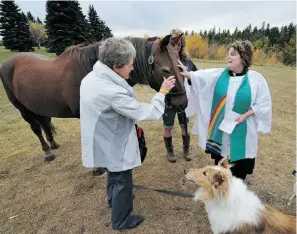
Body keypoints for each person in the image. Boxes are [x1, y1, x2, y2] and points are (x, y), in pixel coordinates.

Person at [79, 38, 176, 230]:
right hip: (113, 141)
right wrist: (163, 92)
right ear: (115, 67)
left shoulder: (91, 78)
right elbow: (145, 112)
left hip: (101, 135)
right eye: (130, 65)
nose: (132, 68)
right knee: (122, 179)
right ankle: (122, 220)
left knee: (113, 173)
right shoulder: (111, 91)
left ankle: (113, 201)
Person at [179, 40, 272, 180]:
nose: (228, 57)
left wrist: (245, 115)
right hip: (222, 132)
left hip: (243, 131)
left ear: (244, 57)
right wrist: (187, 74)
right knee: (221, 168)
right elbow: (200, 77)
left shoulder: (256, 79)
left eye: (233, 54)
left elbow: (263, 104)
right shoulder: (218, 75)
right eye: (228, 54)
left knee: (239, 170)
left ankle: (237, 188)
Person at [163, 29, 198, 163]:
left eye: (180, 43)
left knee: (184, 125)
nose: (177, 45)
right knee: (168, 126)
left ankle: (186, 149)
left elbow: (196, 77)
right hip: (169, 100)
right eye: (174, 43)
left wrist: (187, 73)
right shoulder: (164, 60)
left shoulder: (187, 61)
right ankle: (170, 151)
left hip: (184, 100)